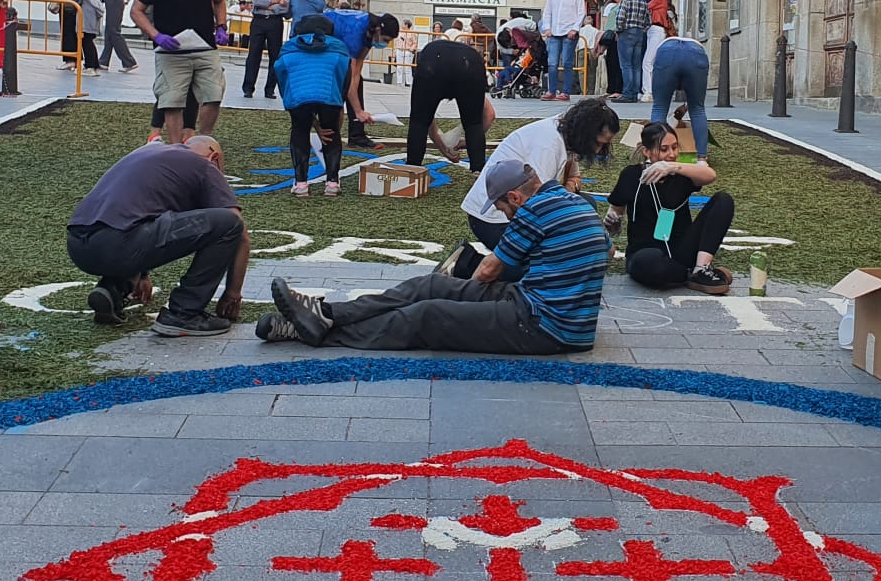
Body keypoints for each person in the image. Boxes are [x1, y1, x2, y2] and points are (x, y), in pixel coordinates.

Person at [260, 158, 609, 354]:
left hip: (545, 326)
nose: (503, 215)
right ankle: (326, 313)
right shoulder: (571, 201)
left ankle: (316, 331)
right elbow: (605, 249)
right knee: (431, 285)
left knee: (429, 314)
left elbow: (489, 269)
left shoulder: (534, 210)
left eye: (501, 207)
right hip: (538, 303)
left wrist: (467, 301)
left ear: (515, 198)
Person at [66, 135, 249, 337]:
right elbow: (239, 231)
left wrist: (142, 272)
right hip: (119, 243)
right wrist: (233, 293)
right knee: (228, 223)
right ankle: (184, 313)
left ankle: (112, 290)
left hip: (78, 244)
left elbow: (141, 211)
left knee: (138, 229)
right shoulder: (203, 164)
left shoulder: (148, 151)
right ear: (214, 158)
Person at [462, 97, 621, 249]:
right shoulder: (547, 146)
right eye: (598, 144)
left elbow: (572, 179)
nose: (598, 150)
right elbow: (538, 207)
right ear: (586, 133)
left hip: (516, 209)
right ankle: (467, 262)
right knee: (538, 263)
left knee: (584, 205)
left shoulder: (568, 133)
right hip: (494, 218)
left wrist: (569, 195)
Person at [604, 122, 734, 295]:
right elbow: (615, 213)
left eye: (674, 147)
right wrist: (613, 223)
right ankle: (690, 275)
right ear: (646, 152)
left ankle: (701, 268)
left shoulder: (681, 173)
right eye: (664, 149)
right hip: (644, 252)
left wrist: (673, 167)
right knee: (649, 262)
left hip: (681, 249)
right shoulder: (631, 175)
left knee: (723, 201)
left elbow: (710, 175)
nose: (671, 154)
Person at [130, 0, 228, 144]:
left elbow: (219, 0)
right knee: (172, 100)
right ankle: (175, 148)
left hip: (204, 47)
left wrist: (221, 26)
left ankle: (203, 141)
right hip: (171, 50)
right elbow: (136, 11)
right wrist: (157, 35)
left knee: (214, 94)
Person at [273, 13, 351, 196]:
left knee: (299, 130)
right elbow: (346, 75)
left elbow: (280, 73)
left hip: (298, 95)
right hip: (329, 93)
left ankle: (301, 184)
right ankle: (332, 183)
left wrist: (291, 101)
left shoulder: (288, 48)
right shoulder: (339, 48)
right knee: (331, 132)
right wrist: (339, 102)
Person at [407, 34, 495, 173]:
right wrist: (468, 142)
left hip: (432, 63)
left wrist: (442, 146)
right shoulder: (470, 58)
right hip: (470, 65)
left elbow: (424, 119)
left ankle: (412, 170)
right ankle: (478, 172)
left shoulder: (429, 56)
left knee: (419, 121)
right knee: (473, 124)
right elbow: (489, 115)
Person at [335, 11, 400, 151]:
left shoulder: (371, 32)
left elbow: (357, 70)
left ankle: (357, 135)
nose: (386, 44)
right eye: (386, 40)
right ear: (378, 31)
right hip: (325, 41)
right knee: (339, 89)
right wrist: (358, 111)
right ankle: (332, 135)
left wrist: (359, 111)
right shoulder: (356, 32)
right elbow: (350, 74)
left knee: (358, 84)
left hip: (340, 44)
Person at [650, 33, 712, 159]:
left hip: (666, 53)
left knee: (659, 108)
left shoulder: (663, 46)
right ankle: (702, 158)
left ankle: (655, 155)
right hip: (697, 53)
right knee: (697, 109)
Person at [241, 0, 289, 98]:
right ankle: (248, 88)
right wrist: (274, 1)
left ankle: (270, 89)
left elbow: (284, 6)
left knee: (275, 56)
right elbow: (256, 1)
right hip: (259, 21)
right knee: (253, 55)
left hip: (275, 22)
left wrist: (266, 4)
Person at [541, 0, 588, 100]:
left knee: (567, 63)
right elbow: (547, 12)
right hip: (554, 33)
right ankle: (551, 91)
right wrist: (547, 28)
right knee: (552, 63)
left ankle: (566, 92)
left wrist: (575, 29)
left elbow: (581, 13)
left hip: (569, 33)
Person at [615, 0, 651, 103]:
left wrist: (619, 30)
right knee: (636, 65)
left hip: (626, 33)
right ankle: (635, 94)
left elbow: (620, 17)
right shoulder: (643, 0)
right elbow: (648, 21)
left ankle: (627, 93)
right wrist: (642, 29)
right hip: (639, 33)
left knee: (626, 65)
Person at [642, 0, 676, 100]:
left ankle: (649, 91)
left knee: (647, 61)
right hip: (653, 30)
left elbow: (645, 7)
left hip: (657, 30)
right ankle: (651, 90)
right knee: (652, 62)